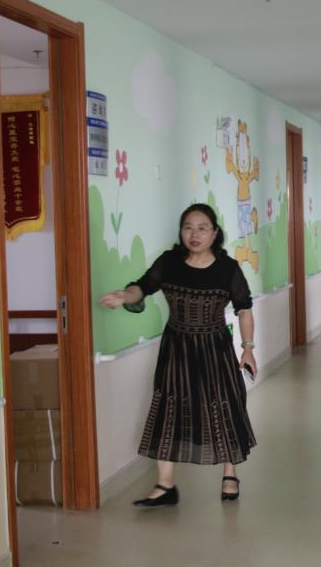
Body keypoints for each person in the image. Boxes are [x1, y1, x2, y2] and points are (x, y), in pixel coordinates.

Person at [99, 203, 257, 506]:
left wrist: (248, 348)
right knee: (168, 406)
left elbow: (245, 309)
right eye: (188, 228)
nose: (194, 234)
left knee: (224, 404)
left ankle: (230, 473)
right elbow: (143, 287)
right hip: (176, 348)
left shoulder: (227, 268)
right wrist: (125, 295)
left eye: (202, 228)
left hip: (215, 347)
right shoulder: (169, 262)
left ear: (214, 233)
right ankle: (165, 485)